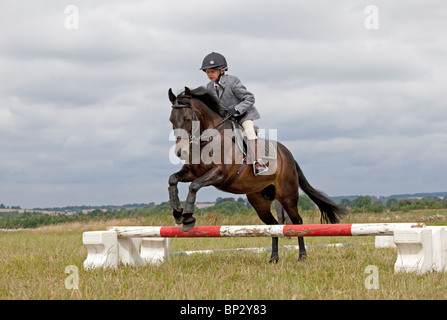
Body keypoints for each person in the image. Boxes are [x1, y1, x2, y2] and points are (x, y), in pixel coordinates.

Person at [200, 52, 268, 175]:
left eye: (212, 71)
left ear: (222, 70)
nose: (209, 74)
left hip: (243, 115)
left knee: (248, 131)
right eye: (207, 72)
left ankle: (259, 162)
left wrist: (236, 110)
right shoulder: (209, 87)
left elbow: (250, 98)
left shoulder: (232, 81)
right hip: (227, 118)